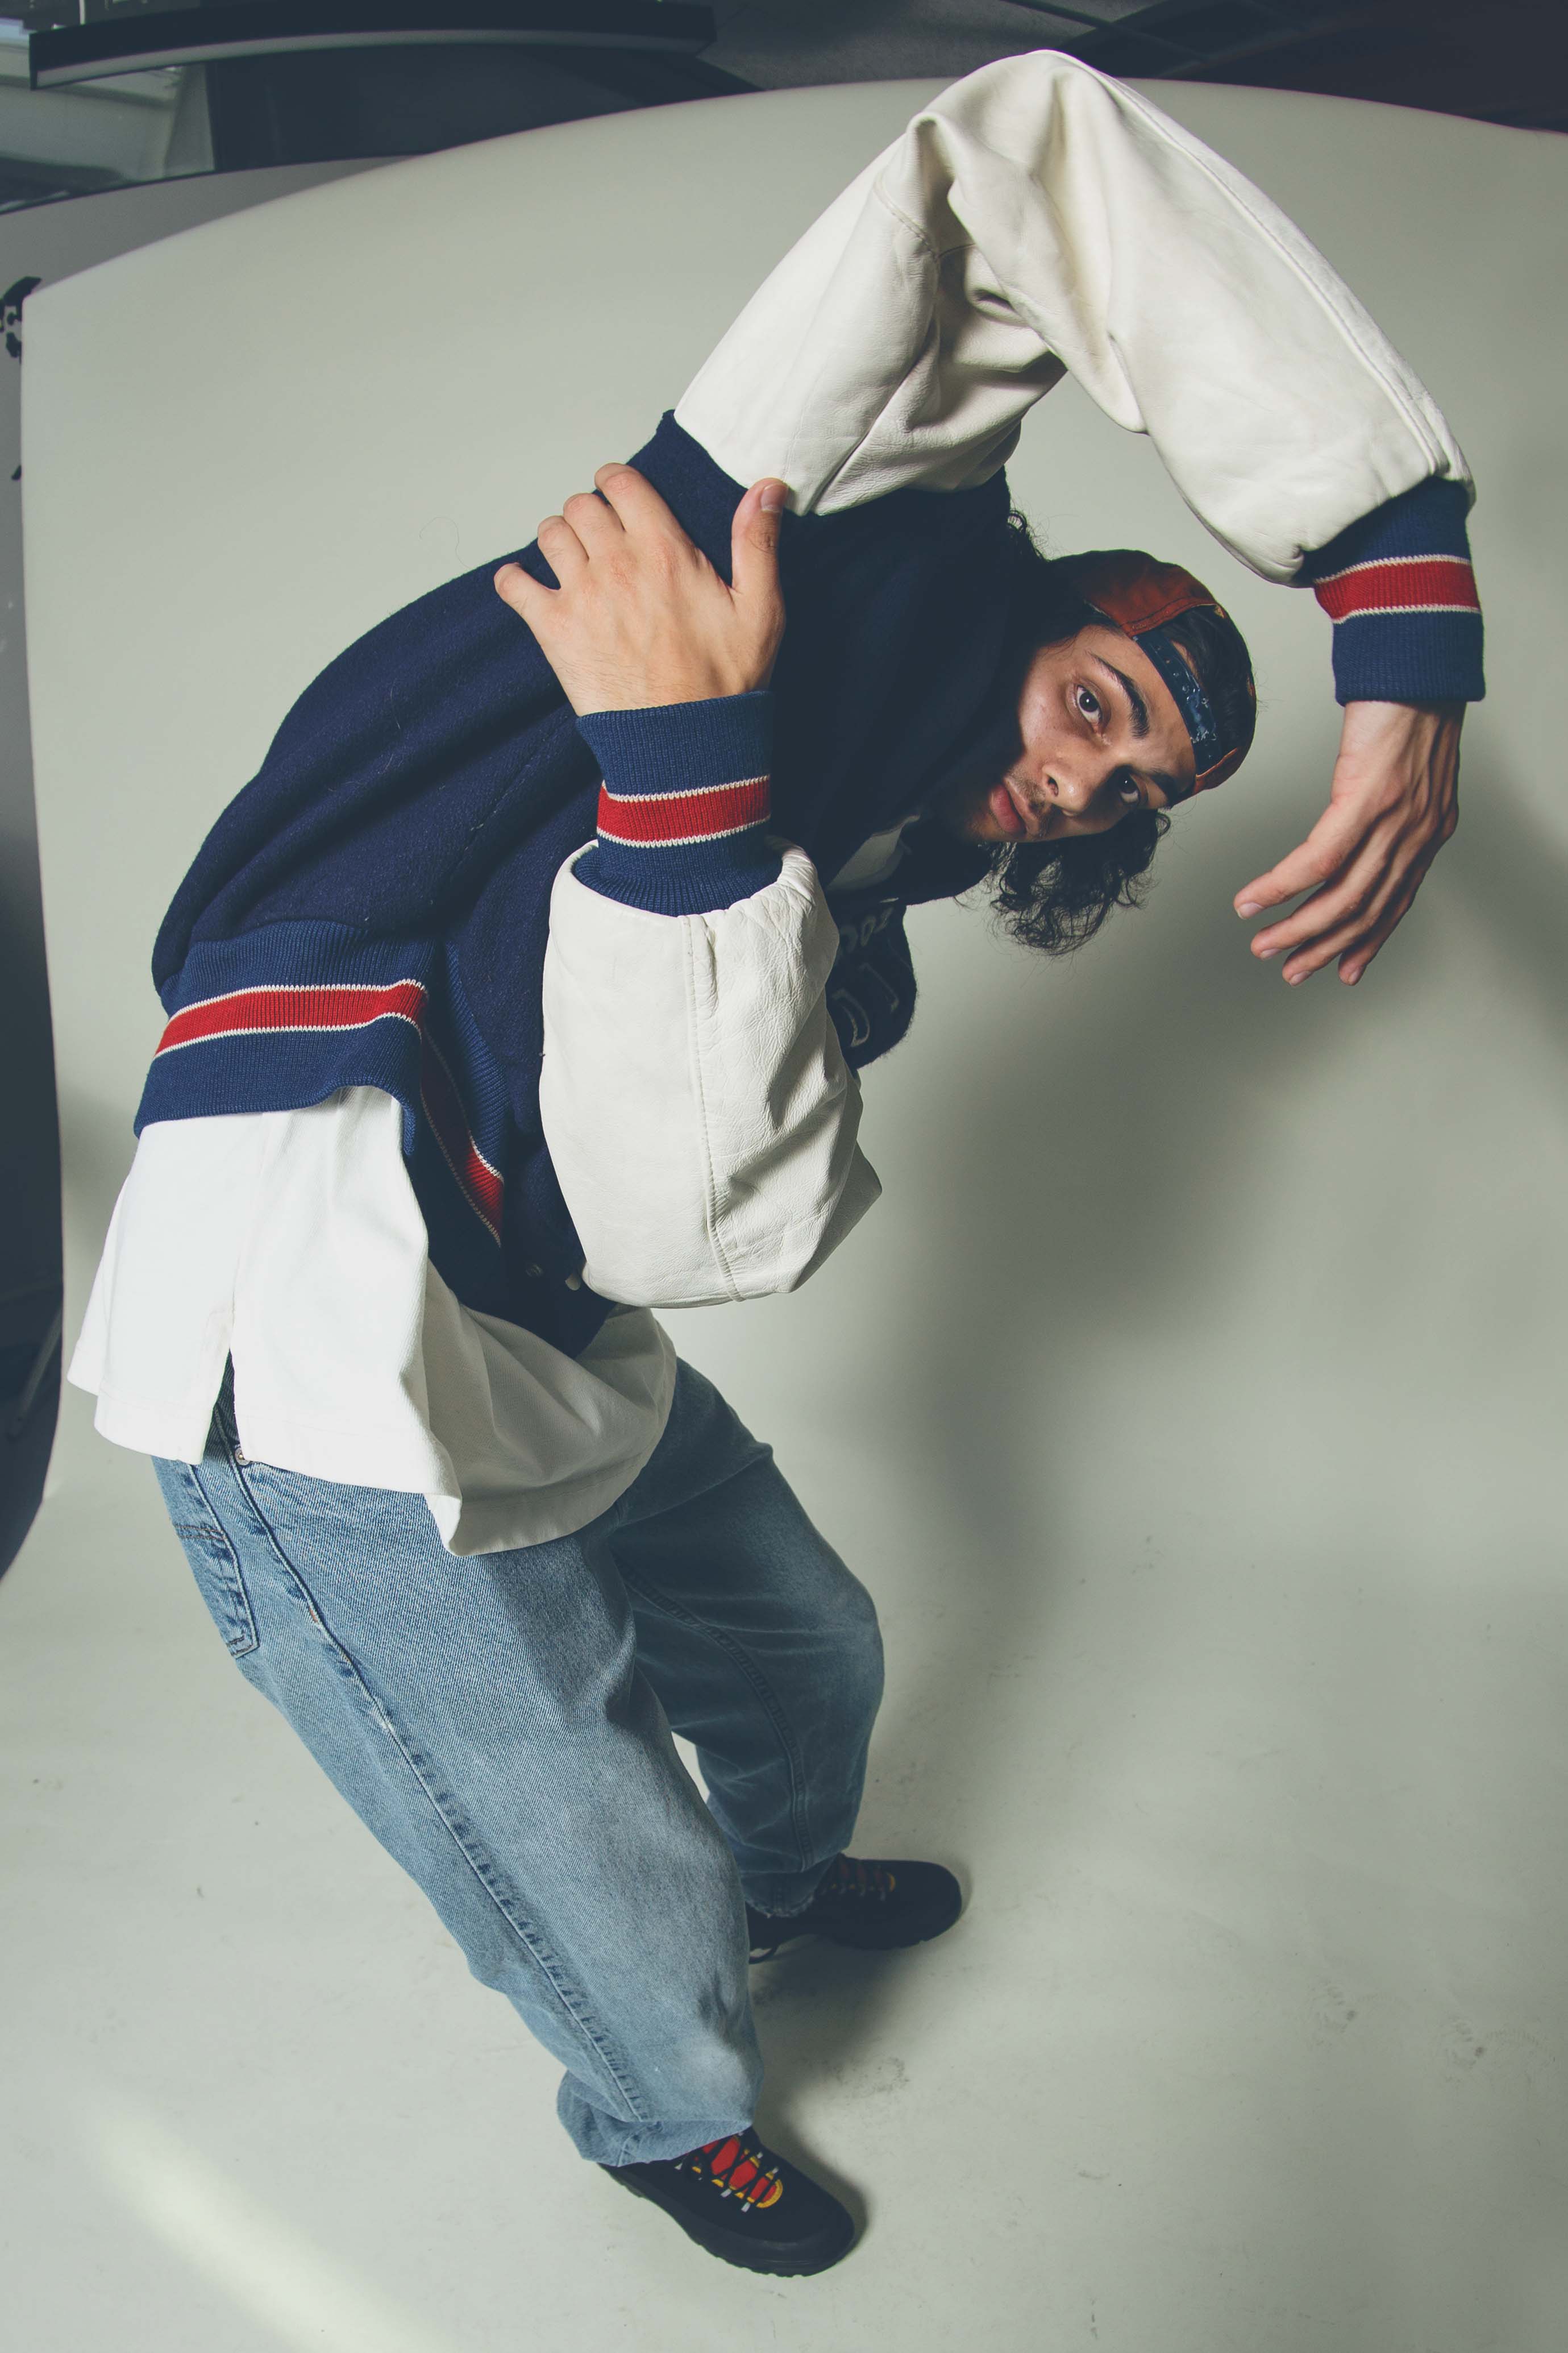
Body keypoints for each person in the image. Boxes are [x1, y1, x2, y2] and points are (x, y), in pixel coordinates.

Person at [66, 51, 1483, 2278]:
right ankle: (656, 2108)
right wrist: (1395, 618)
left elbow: (686, 1220)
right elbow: (1023, 142)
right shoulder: (828, 550)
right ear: (1013, 614)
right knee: (583, 1833)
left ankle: (796, 1892)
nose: (1098, 787)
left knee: (800, 1642)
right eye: (1100, 707)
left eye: (1148, 798)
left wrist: (689, 771)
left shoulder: (854, 941)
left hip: (529, 1301)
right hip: (304, 1299)